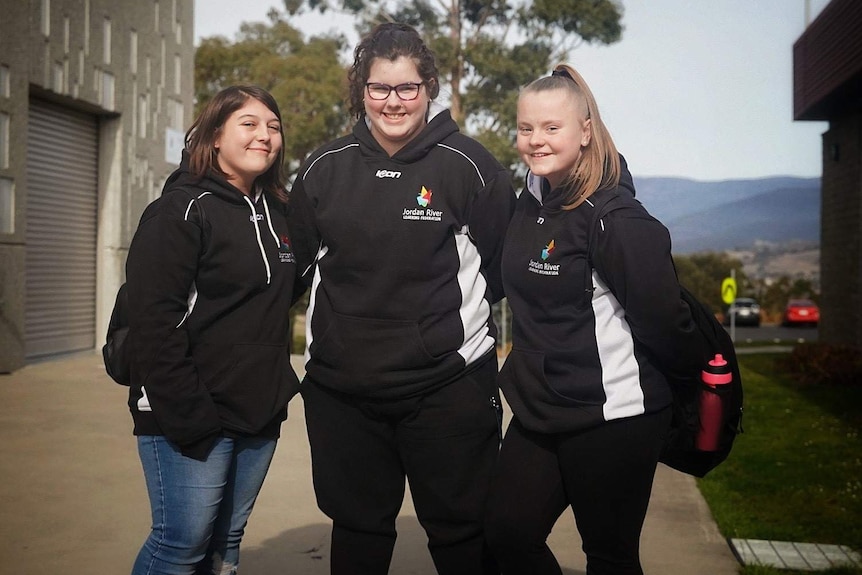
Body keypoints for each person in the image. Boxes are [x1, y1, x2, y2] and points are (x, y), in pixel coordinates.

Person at [286, 22, 516, 575]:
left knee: (462, 533)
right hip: (344, 393)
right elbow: (295, 272)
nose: (394, 101)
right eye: (379, 88)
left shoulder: (472, 168)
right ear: (362, 90)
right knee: (359, 530)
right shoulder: (323, 168)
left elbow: (501, 273)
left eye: (407, 87)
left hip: (447, 388)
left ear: (430, 87)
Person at [484, 64, 706, 575]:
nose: (535, 140)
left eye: (551, 127)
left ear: (586, 131)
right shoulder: (530, 202)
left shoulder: (616, 218)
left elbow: (668, 325)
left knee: (608, 555)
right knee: (505, 532)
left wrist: (683, 389)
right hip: (542, 409)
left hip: (615, 415)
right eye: (525, 128)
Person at [125, 85, 303, 575]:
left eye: (273, 125)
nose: (265, 136)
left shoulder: (282, 214)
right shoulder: (181, 209)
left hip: (258, 411)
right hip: (191, 410)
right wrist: (189, 415)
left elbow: (277, 301)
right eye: (248, 124)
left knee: (226, 541)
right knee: (181, 544)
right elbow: (152, 323)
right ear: (214, 136)